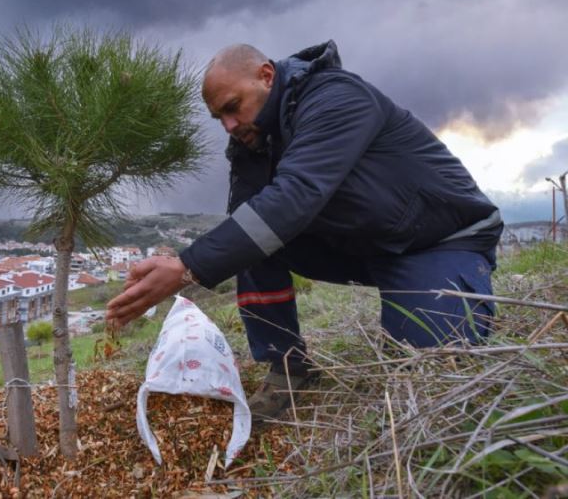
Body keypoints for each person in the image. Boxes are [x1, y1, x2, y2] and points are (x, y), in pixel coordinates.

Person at [106, 40, 503, 423]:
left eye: (232, 108)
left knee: (424, 383)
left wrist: (187, 268)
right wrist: (183, 262)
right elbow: (245, 221)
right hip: (368, 246)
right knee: (249, 240)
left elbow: (295, 197)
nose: (228, 125)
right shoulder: (254, 140)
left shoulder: (336, 97)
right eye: (219, 118)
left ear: (266, 76)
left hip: (438, 241)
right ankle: (287, 369)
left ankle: (445, 296)